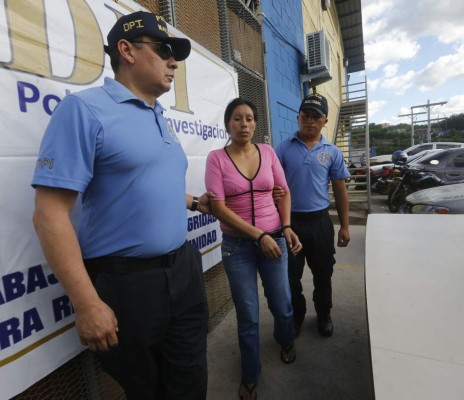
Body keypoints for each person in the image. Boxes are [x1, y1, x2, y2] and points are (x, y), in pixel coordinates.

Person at [32, 11, 212, 400]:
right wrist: (87, 304)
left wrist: (195, 202)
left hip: (183, 270)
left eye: (174, 54)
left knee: (190, 383)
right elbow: (49, 214)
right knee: (146, 390)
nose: (173, 62)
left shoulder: (160, 115)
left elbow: (142, 186)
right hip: (128, 284)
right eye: (164, 50)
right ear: (126, 51)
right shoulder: (85, 111)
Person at [205, 98, 302, 400]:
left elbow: (283, 192)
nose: (243, 124)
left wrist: (285, 226)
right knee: (248, 315)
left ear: (256, 124)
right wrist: (259, 236)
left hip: (274, 238)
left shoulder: (269, 152)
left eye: (248, 118)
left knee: (283, 304)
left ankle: (285, 339)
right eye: (236, 118)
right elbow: (218, 208)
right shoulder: (216, 158)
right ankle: (251, 374)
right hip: (238, 247)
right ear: (228, 124)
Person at [275, 93, 350, 338]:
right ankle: (297, 314)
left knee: (323, 274)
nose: (310, 121)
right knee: (290, 276)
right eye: (305, 115)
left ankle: (323, 314)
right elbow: (272, 185)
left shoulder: (332, 152)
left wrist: (345, 226)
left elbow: (340, 191)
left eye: (316, 117)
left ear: (325, 121)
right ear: (298, 118)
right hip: (290, 223)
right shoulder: (283, 149)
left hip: (320, 222)